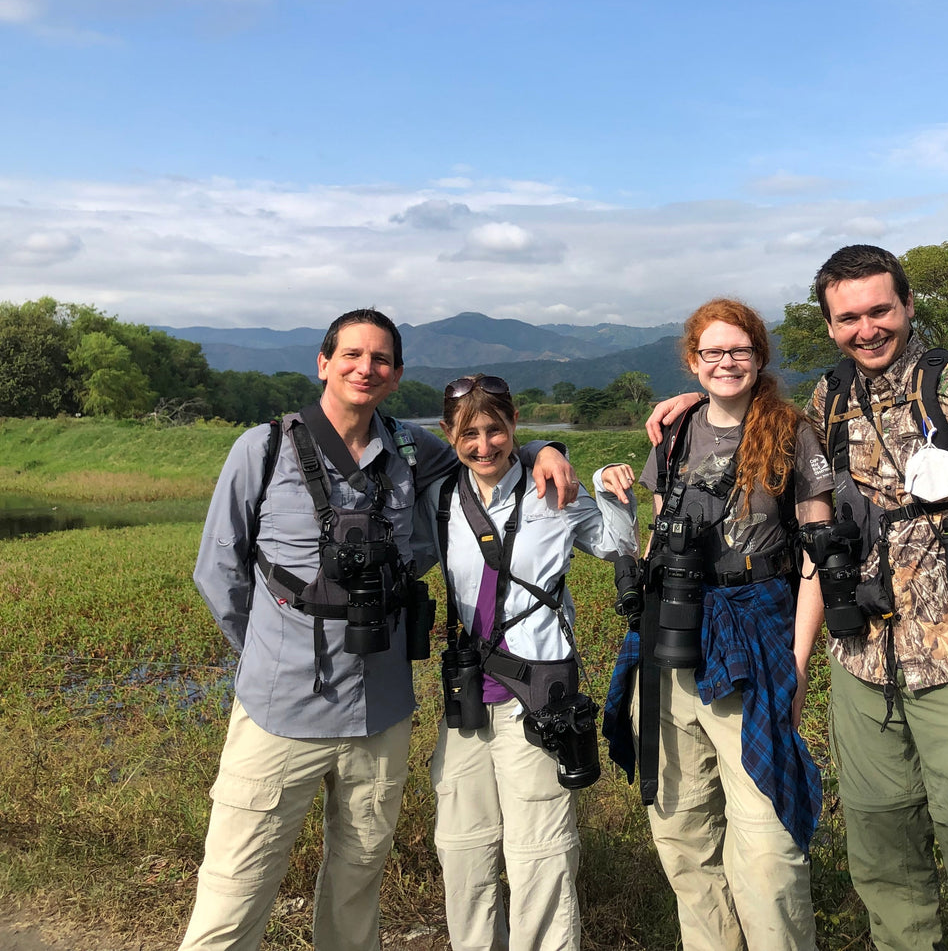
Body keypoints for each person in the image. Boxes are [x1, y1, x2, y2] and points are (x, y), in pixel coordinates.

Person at [649, 247, 948, 951]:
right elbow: (757, 416)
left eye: (880, 310)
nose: (867, 328)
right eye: (848, 317)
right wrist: (696, 400)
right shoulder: (827, 398)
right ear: (829, 324)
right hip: (861, 655)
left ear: (907, 305)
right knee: (881, 854)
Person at [181, 309, 575, 951]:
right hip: (281, 709)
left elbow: (489, 450)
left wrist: (544, 449)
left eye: (382, 360)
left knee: (358, 884)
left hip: (380, 712)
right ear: (324, 363)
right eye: (352, 356)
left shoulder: (412, 451)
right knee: (236, 883)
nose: (367, 368)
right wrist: (265, 651)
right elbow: (219, 570)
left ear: (395, 376)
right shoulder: (265, 447)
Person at [602, 298, 833, 951]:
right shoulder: (673, 432)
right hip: (671, 633)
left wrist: (799, 659)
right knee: (682, 833)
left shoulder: (793, 432)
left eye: (739, 350)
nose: (727, 362)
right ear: (692, 361)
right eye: (713, 352)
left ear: (760, 356)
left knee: (766, 841)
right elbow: (660, 539)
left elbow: (816, 551)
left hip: (755, 632)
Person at [421, 373, 639, 951]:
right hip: (467, 693)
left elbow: (618, 544)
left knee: (538, 851)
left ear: (514, 424)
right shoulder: (442, 497)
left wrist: (613, 487)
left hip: (540, 694)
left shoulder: (554, 492)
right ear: (449, 435)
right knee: (462, 846)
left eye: (496, 430)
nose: (484, 445)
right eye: (469, 433)